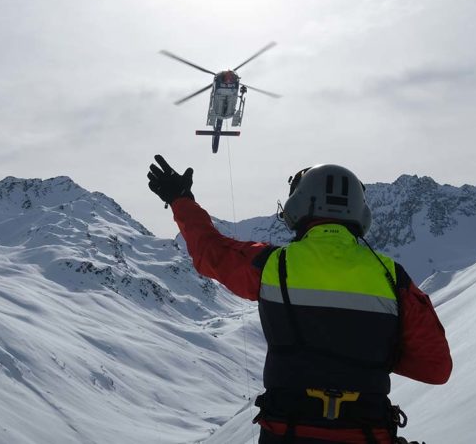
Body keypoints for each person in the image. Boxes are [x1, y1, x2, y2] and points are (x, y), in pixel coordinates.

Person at [147, 155, 452, 444]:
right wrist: (369, 355)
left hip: (286, 433)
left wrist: (180, 200)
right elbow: (436, 367)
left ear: (300, 205)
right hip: (368, 433)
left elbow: (211, 252)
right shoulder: (392, 277)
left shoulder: (273, 265)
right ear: (360, 213)